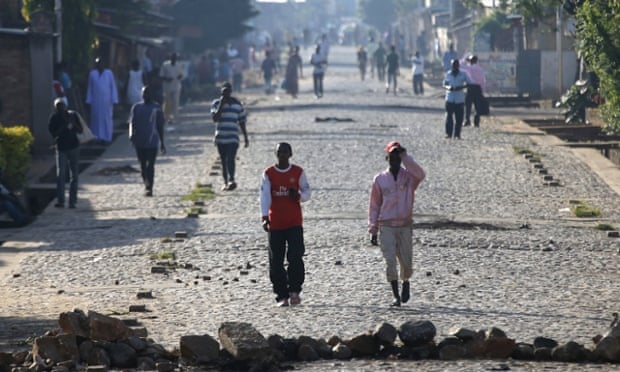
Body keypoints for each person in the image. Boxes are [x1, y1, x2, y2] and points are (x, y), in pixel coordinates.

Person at [368, 141, 425, 307]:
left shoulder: (409, 178)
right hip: (386, 225)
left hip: (405, 225)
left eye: (397, 157)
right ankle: (395, 296)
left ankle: (406, 281)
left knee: (406, 263)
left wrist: (406, 157)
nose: (394, 160)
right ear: (387, 158)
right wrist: (373, 228)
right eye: (391, 157)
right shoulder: (380, 180)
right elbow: (374, 205)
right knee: (390, 261)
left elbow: (421, 174)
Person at [260, 142, 311, 307]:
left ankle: (295, 291)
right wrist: (264, 216)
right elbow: (265, 196)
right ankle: (281, 295)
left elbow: (307, 192)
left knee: (295, 256)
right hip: (276, 224)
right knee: (276, 261)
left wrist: (298, 196)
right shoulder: (269, 173)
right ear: (276, 154)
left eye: (285, 152)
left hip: (294, 222)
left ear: (290, 154)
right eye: (279, 152)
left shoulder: (298, 172)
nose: (282, 154)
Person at [128, 85, 166, 197]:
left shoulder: (156, 108)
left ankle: (150, 187)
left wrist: (162, 142)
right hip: (140, 141)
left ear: (151, 95)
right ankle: (146, 183)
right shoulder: (136, 107)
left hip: (152, 141)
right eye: (144, 93)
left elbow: (160, 126)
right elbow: (132, 122)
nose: (146, 95)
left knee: (151, 165)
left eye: (147, 93)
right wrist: (131, 134)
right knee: (143, 165)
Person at [211, 82, 249, 191]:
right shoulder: (216, 104)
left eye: (227, 92)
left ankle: (232, 179)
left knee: (230, 158)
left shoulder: (237, 104)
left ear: (231, 92)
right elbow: (215, 119)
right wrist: (221, 105)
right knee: (223, 160)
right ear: (221, 93)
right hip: (220, 137)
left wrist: (246, 137)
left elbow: (242, 121)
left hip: (233, 137)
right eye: (223, 92)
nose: (225, 95)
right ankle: (226, 182)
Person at [48, 98, 83, 208]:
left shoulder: (73, 115)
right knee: (61, 175)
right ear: (55, 107)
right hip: (61, 148)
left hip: (74, 147)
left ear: (66, 106)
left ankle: (72, 201)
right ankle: (61, 200)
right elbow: (54, 134)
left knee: (74, 176)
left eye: (62, 105)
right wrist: (63, 126)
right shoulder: (54, 118)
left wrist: (72, 123)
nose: (60, 108)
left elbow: (80, 130)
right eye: (58, 106)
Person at [85, 57, 118, 143]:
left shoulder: (109, 73)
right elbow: (90, 88)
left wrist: (114, 100)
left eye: (101, 63)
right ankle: (96, 138)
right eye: (98, 63)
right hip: (96, 101)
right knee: (96, 119)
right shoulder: (92, 74)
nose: (100, 65)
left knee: (107, 119)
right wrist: (89, 101)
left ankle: (107, 138)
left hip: (107, 102)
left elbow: (113, 87)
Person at [443, 59, 471, 139]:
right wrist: (448, 87)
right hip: (450, 98)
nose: (454, 67)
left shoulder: (463, 74)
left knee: (459, 119)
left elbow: (470, 83)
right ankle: (448, 134)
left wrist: (461, 87)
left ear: (458, 66)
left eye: (456, 65)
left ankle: (457, 134)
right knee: (449, 117)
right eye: (453, 65)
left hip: (459, 99)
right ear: (451, 66)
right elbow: (444, 84)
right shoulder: (448, 74)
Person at [460, 55, 486, 127]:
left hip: (471, 87)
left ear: (471, 61)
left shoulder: (470, 68)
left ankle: (467, 120)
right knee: (477, 106)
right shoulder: (480, 69)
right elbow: (483, 81)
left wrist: (465, 59)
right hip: (478, 88)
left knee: (468, 105)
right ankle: (476, 122)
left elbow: (460, 65)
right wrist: (483, 91)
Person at [159, 52, 184, 124]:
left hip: (176, 86)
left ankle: (175, 118)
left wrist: (179, 77)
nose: (174, 59)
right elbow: (161, 76)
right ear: (170, 58)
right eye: (173, 57)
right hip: (167, 87)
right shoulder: (165, 65)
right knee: (167, 103)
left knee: (175, 102)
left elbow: (182, 75)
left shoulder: (179, 65)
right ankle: (167, 118)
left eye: (175, 57)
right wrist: (167, 79)